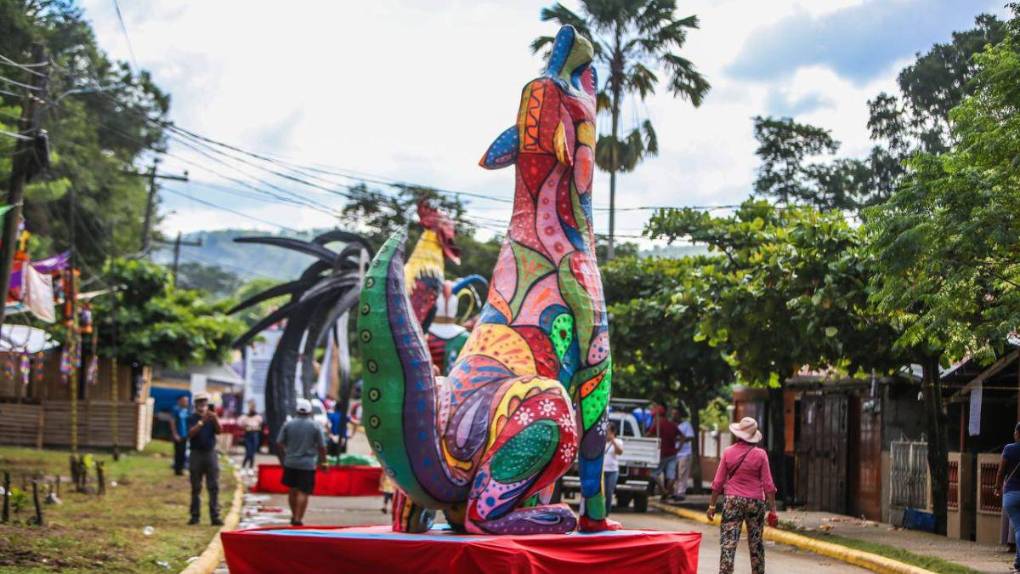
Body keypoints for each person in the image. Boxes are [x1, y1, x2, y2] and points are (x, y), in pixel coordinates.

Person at [707, 417, 777, 574]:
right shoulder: (761, 455)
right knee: (756, 543)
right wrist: (773, 510)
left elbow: (718, 482)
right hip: (756, 502)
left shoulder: (728, 452)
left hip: (732, 501)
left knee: (728, 543)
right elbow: (768, 485)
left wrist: (712, 505)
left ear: (738, 434)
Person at [277, 398, 327, 526]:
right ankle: (298, 518)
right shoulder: (315, 426)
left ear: (297, 411)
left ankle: (293, 515)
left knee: (292, 490)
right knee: (303, 492)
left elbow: (279, 443)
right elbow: (322, 447)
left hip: (290, 463)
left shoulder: (288, 424)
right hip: (308, 464)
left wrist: (283, 459)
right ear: (310, 412)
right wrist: (324, 462)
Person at [187, 392, 222, 526]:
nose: (202, 404)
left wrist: (215, 419)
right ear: (195, 404)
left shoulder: (212, 417)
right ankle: (195, 516)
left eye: (204, 402)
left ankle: (215, 516)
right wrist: (202, 422)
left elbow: (219, 431)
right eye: (199, 402)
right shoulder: (192, 417)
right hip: (196, 454)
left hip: (210, 453)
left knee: (213, 486)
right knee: (196, 486)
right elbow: (190, 434)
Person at [995, 422, 1020, 573]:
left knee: (1018, 528)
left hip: (1011, 495)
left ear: (1017, 433)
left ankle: (1018, 564)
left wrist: (997, 487)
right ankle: (1018, 564)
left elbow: (1000, 471)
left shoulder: (1009, 449)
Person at [652, 402, 679, 500]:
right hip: (672, 454)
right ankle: (667, 493)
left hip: (662, 454)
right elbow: (683, 436)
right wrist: (678, 448)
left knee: (653, 474)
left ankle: (663, 489)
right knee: (671, 475)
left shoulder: (657, 425)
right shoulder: (672, 425)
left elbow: (648, 435)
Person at [673, 406, 695, 501]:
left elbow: (690, 437)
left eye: (676, 414)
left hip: (684, 453)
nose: (674, 416)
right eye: (673, 414)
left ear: (680, 415)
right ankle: (674, 492)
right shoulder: (672, 425)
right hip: (673, 453)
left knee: (682, 473)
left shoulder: (686, 425)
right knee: (674, 474)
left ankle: (681, 493)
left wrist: (678, 439)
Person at [603, 423, 624, 516]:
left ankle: (607, 512)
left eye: (608, 431)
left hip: (612, 471)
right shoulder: (601, 441)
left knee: (609, 492)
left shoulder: (618, 441)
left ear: (613, 432)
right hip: (602, 471)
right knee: (601, 492)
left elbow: (619, 452)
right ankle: (600, 512)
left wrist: (613, 441)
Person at [237, 401, 263, 470]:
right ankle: (243, 466)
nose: (252, 409)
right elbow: (239, 423)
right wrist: (245, 426)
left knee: (252, 453)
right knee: (248, 452)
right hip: (248, 435)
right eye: (250, 407)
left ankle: (250, 467)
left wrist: (255, 427)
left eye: (253, 407)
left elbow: (260, 426)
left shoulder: (258, 417)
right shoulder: (245, 416)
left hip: (255, 435)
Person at [169, 395, 190, 476]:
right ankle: (177, 470)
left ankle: (181, 469)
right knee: (178, 452)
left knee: (183, 452)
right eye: (184, 401)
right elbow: (172, 422)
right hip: (178, 435)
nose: (186, 402)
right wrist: (175, 434)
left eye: (187, 401)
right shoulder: (176, 409)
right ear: (180, 401)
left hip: (185, 435)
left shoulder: (187, 411)